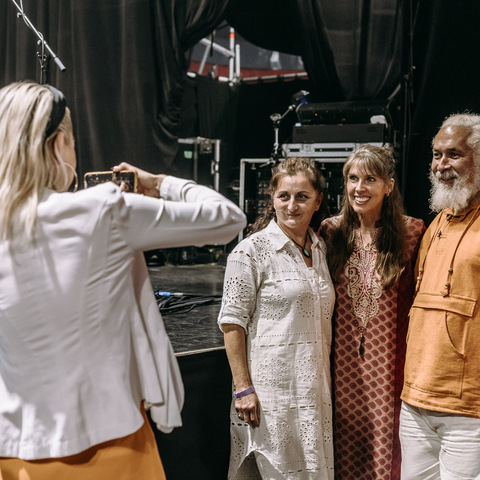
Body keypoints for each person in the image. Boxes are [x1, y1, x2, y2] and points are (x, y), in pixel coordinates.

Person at [0, 81, 246, 479]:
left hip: (14, 451)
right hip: (108, 443)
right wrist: (160, 183)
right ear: (58, 144)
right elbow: (228, 218)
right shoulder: (100, 210)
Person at [218, 157, 335, 480]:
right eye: (284, 196)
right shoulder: (250, 251)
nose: (292, 205)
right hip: (271, 395)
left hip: (314, 391)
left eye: (302, 197)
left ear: (317, 201)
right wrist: (243, 389)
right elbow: (232, 323)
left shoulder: (321, 249)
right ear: (273, 199)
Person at [319, 145, 425, 480]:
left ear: (388, 186)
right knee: (343, 450)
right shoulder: (330, 231)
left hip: (391, 370)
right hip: (340, 367)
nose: (359, 188)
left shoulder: (413, 232)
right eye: (353, 178)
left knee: (385, 454)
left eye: (370, 179)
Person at [400, 113, 480, 479]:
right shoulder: (437, 222)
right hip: (416, 400)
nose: (441, 165)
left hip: (469, 410)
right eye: (436, 155)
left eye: (454, 154)